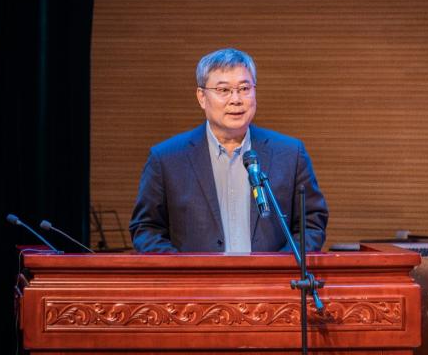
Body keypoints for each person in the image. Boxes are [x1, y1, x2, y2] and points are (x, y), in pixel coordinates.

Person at [129, 48, 328, 253]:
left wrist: (278, 266)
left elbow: (311, 224)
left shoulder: (290, 154)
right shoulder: (166, 159)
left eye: (244, 88)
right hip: (195, 275)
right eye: (224, 90)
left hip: (272, 274)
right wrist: (185, 268)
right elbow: (146, 229)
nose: (236, 99)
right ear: (201, 97)